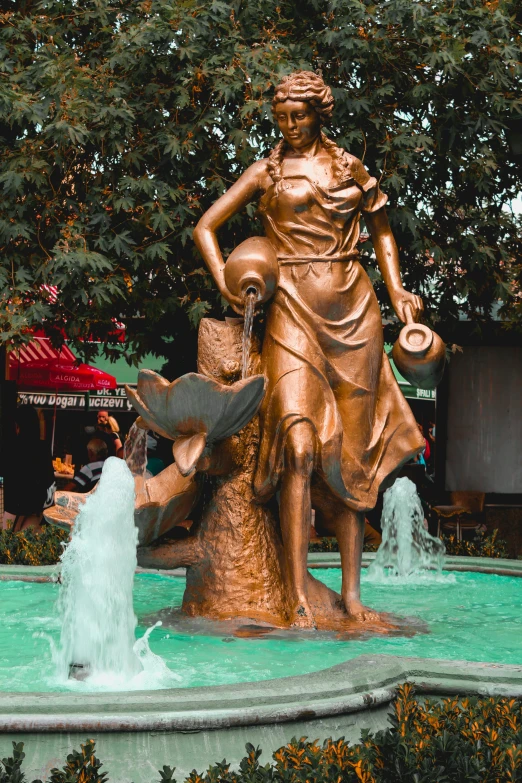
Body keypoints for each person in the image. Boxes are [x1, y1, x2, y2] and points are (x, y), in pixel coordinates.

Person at [194, 70, 425, 626]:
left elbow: (382, 230)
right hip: (290, 312)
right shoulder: (267, 170)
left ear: (320, 114)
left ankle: (350, 596)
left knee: (352, 458)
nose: (290, 126)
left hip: (354, 315)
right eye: (281, 119)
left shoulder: (349, 168)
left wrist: (396, 291)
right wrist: (227, 281)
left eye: (298, 116)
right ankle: (296, 595)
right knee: (297, 445)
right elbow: (206, 226)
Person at [3, 405, 55, 531]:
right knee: (27, 547)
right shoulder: (43, 448)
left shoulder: (12, 447)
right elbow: (49, 478)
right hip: (36, 505)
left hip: (15, 504)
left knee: (8, 545)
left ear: (17, 426)